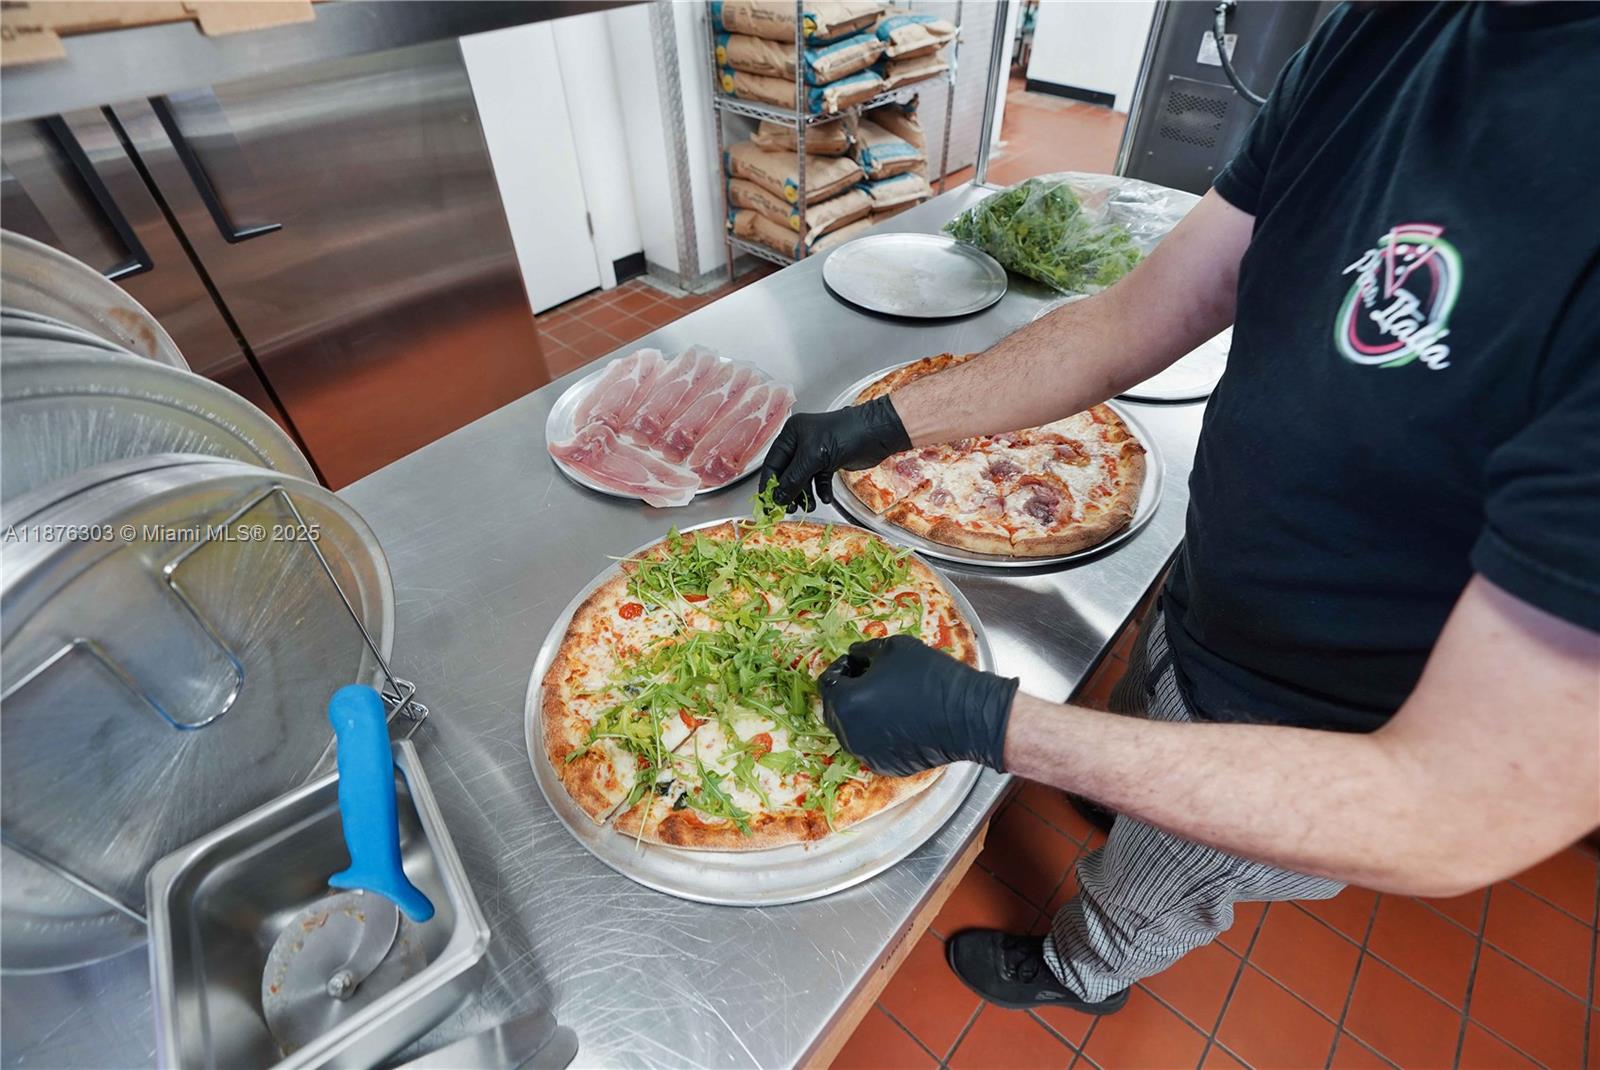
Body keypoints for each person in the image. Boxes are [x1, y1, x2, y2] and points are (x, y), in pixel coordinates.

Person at [758, 1, 1600, 1013]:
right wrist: (885, 424)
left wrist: (988, 721)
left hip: (1316, 724)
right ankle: (1125, 787)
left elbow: (1457, 809)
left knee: (1156, 880)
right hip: (1209, 585)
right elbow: (1137, 314)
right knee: (1141, 738)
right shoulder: (1381, 31)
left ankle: (1082, 971)